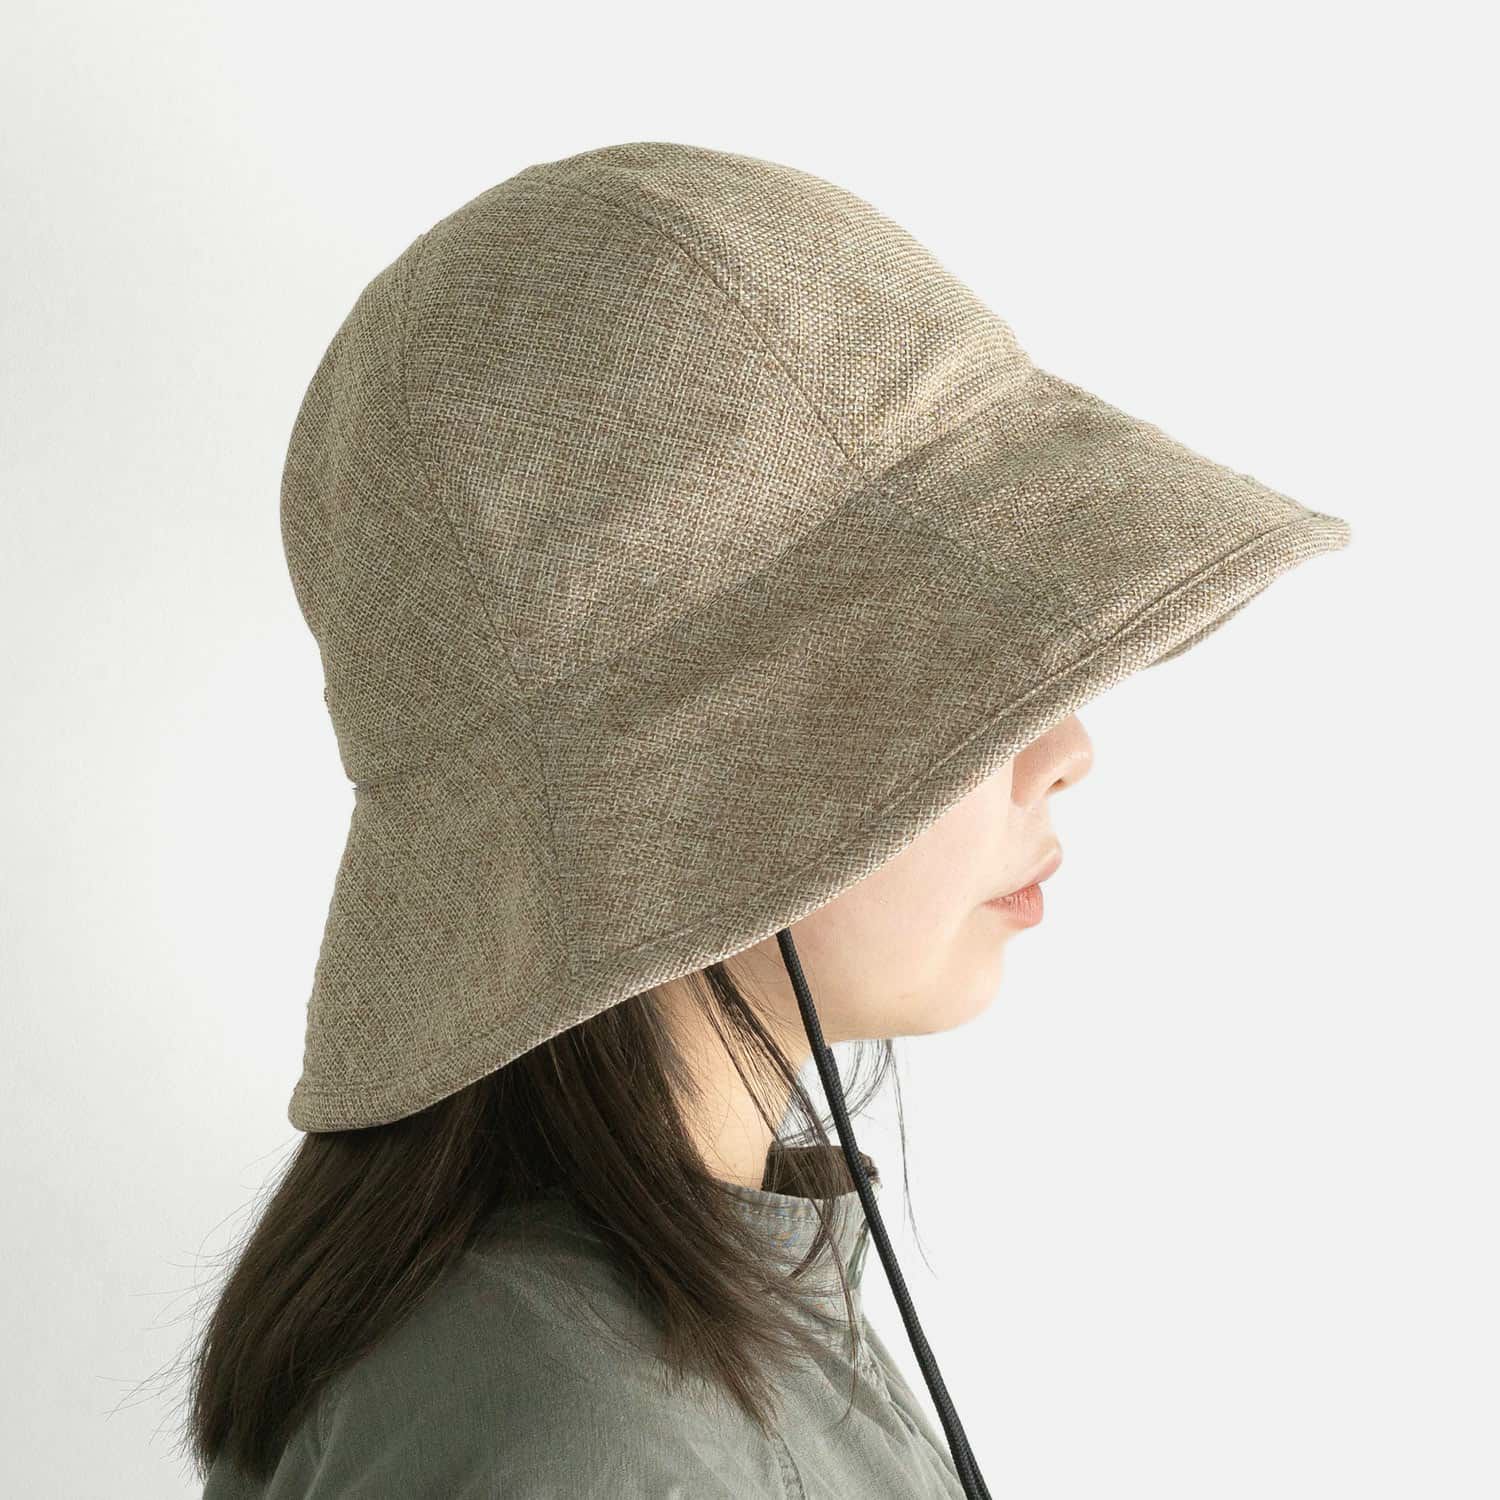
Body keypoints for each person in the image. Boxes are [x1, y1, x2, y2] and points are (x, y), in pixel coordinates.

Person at [185, 140, 1350, 1498]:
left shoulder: (667, 1314)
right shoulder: (585, 1442)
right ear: (691, 782)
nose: (1067, 749)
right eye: (960, 674)